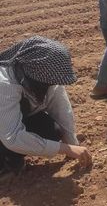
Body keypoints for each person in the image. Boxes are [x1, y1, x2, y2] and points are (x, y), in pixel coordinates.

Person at [0, 37, 92, 178]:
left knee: (50, 130)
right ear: (33, 76)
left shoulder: (44, 76)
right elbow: (12, 137)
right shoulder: (5, 85)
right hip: (5, 128)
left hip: (7, 121)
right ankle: (4, 164)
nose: (50, 87)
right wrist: (66, 149)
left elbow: (61, 108)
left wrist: (72, 143)